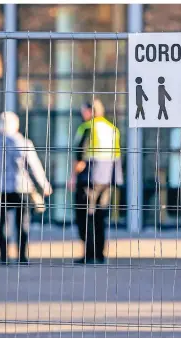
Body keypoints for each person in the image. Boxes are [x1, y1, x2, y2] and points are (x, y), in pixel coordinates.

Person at [0, 111, 52, 264]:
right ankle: (22, 256)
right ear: (16, 126)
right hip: (22, 188)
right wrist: (44, 184)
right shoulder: (24, 143)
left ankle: (3, 257)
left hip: (0, 189)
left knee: (3, 223)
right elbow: (34, 167)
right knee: (23, 222)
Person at [69, 99, 123, 264]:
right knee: (100, 216)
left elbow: (81, 156)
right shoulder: (112, 129)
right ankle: (99, 254)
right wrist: (116, 179)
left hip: (88, 178)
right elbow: (117, 157)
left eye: (84, 110)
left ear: (91, 112)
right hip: (106, 179)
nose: (82, 113)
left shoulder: (87, 127)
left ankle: (89, 253)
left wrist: (72, 177)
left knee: (85, 216)